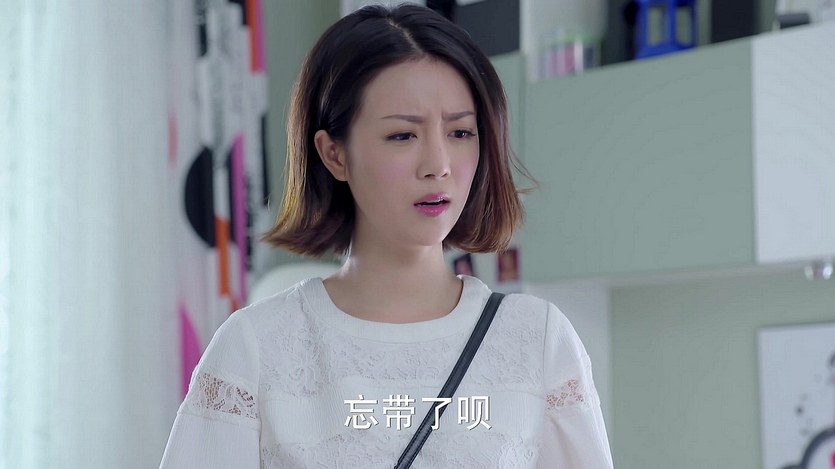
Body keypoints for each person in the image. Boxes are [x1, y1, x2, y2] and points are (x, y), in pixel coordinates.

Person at [159, 4, 613, 468]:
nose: (438, 165)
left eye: (460, 132)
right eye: (402, 136)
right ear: (334, 155)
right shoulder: (255, 347)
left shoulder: (537, 338)